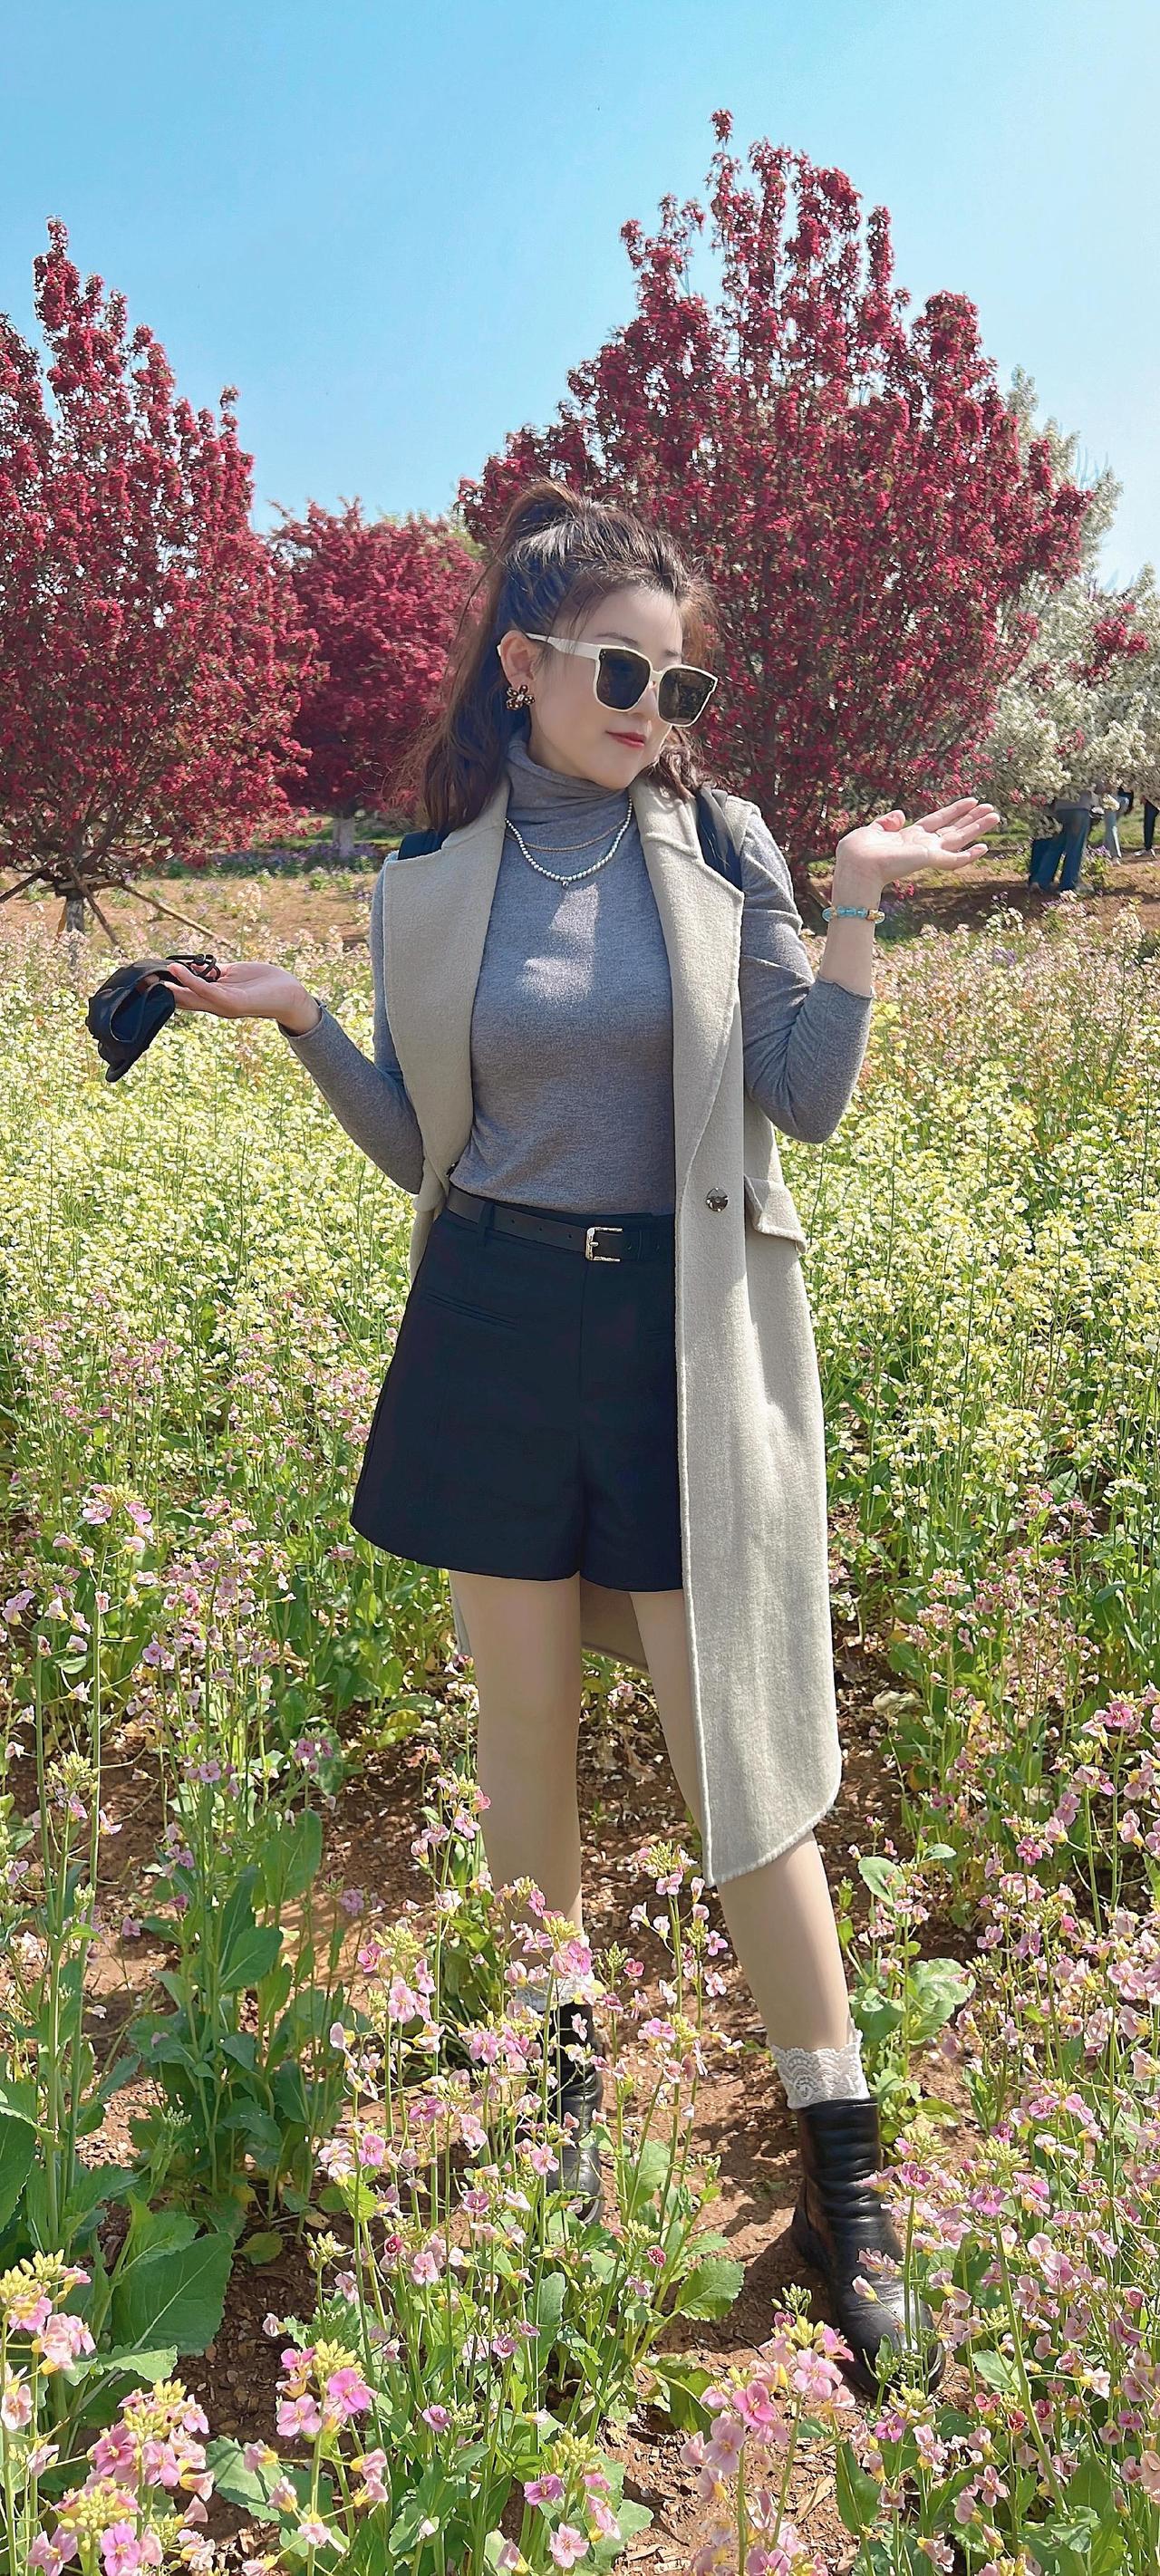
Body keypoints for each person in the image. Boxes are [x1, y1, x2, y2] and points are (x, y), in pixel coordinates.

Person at [153, 481, 997, 2399]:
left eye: (679, 681)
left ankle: (842, 2165)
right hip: (491, 1329)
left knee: (737, 1759)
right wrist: (302, 1022)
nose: (656, 707)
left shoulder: (720, 842)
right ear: (524, 665)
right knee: (520, 1745)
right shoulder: (425, 885)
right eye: (626, 672)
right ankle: (556, 2104)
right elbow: (427, 1152)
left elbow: (805, 1099)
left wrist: (855, 908)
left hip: (680, 1341)